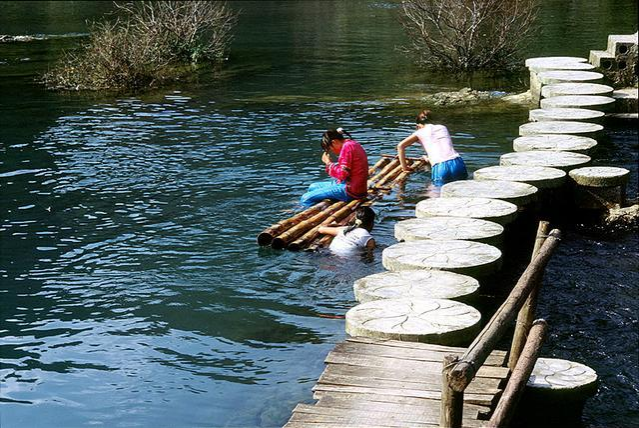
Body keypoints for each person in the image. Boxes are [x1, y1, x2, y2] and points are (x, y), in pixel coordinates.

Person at [396, 109, 468, 187]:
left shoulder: (419, 132)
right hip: (458, 162)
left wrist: (405, 168)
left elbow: (400, 146)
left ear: (418, 125)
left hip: (440, 167)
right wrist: (428, 159)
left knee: (435, 195)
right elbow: (438, 146)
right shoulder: (442, 127)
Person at [300, 128, 369, 208]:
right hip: (353, 186)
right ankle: (319, 204)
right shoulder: (352, 143)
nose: (332, 151)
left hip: (350, 190)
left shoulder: (346, 148)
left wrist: (328, 163)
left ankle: (304, 212)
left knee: (305, 198)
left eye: (330, 148)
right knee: (313, 186)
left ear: (334, 142)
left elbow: (342, 174)